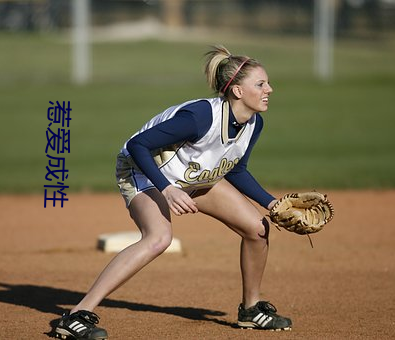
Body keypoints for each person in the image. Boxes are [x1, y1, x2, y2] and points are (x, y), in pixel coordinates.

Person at [55, 45, 292, 340]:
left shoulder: (253, 123)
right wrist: (166, 189)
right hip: (143, 172)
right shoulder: (199, 117)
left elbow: (236, 169)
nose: (270, 88)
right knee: (159, 238)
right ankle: (76, 315)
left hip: (191, 177)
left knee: (257, 228)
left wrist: (273, 204)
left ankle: (252, 309)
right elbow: (137, 146)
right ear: (238, 92)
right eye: (260, 84)